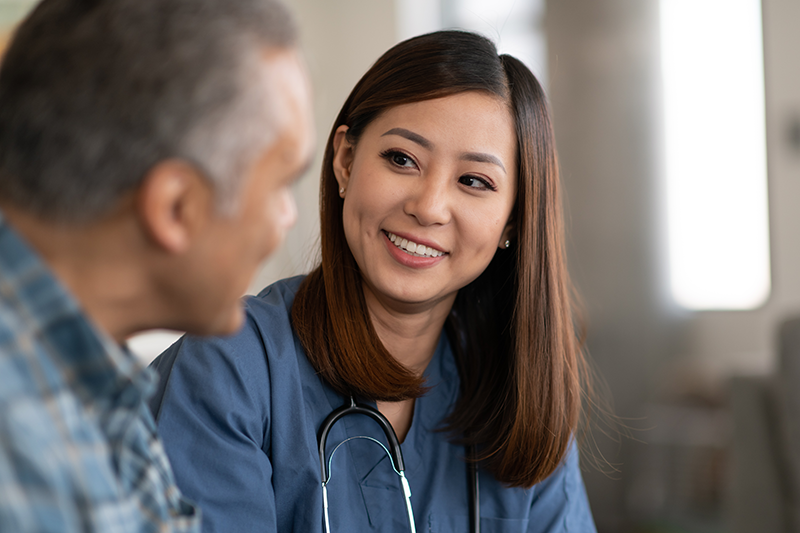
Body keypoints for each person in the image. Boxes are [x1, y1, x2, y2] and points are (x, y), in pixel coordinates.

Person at [150, 30, 596, 532]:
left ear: (512, 222)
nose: (427, 206)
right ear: (345, 161)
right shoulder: (228, 370)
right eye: (401, 159)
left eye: (474, 181)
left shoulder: (517, 399)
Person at [0, 0, 313, 530]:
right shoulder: (20, 448)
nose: (289, 216)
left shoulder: (97, 388)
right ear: (176, 208)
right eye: (281, 184)